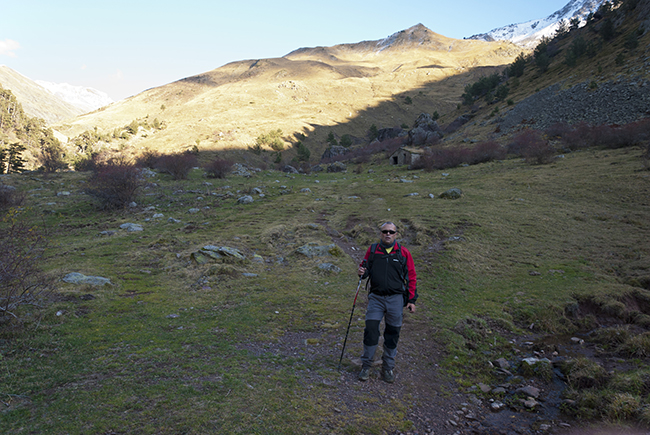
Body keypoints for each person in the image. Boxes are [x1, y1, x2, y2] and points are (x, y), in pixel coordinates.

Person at [357, 221, 417, 383]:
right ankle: (366, 366)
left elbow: (411, 277)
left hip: (396, 299)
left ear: (396, 234)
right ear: (381, 233)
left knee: (392, 333)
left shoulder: (403, 253)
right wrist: (362, 272)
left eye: (391, 232)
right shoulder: (373, 250)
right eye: (385, 231)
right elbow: (365, 270)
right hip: (376, 297)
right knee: (371, 330)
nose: (388, 234)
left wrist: (411, 299)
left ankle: (388, 367)